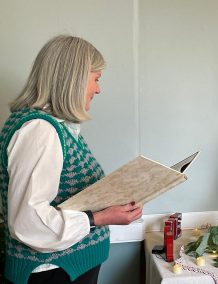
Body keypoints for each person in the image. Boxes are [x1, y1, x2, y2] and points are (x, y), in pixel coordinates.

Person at [0, 35, 143, 284]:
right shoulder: (39, 131)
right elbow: (29, 222)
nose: (98, 89)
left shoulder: (60, 127)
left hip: (65, 268)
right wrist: (99, 218)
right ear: (73, 79)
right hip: (52, 272)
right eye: (96, 79)